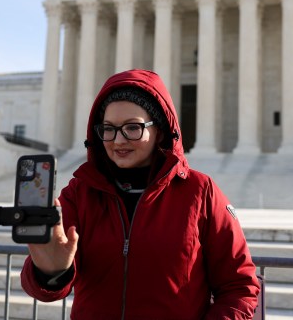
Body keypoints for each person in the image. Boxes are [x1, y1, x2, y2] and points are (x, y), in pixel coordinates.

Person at [21, 69, 260, 319]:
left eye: (133, 128)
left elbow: (239, 287)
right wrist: (51, 273)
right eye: (109, 128)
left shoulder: (200, 192)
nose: (118, 140)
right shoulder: (80, 193)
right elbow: (46, 287)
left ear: (159, 130)